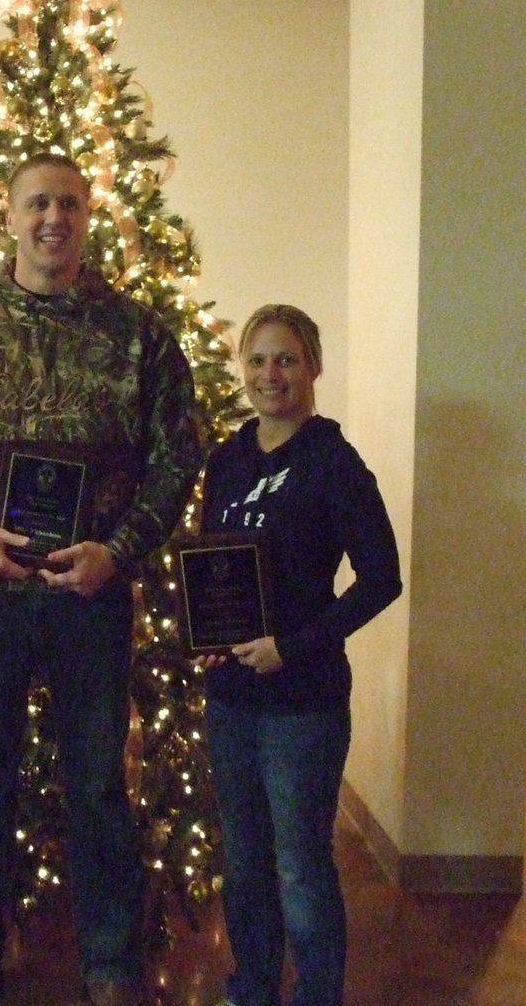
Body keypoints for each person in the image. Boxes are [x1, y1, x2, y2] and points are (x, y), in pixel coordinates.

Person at [0, 152, 202, 1006]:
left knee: (99, 787)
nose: (53, 218)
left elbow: (179, 457)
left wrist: (120, 550)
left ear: (86, 214)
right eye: (37, 203)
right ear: (11, 214)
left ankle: (109, 965)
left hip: (87, 597)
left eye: (68, 202)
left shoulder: (137, 334)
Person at [196, 304, 402, 1006]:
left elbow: (382, 577)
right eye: (257, 359)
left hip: (302, 704)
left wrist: (294, 645)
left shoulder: (334, 463)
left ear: (313, 366)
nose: (269, 373)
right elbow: (209, 562)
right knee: (245, 864)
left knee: (301, 867)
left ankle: (317, 995)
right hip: (230, 700)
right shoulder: (226, 458)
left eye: (285, 358)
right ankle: (250, 989)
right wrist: (205, 634)